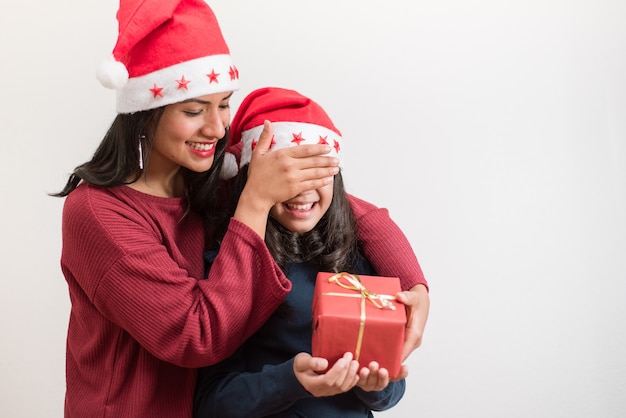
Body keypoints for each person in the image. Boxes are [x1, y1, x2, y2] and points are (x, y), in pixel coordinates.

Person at [53, 1, 428, 417]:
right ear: (145, 113)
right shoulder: (98, 214)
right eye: (194, 110)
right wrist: (254, 200)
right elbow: (196, 336)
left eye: (224, 104)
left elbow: (341, 205)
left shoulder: (205, 180)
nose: (216, 129)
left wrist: (414, 287)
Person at [194, 87, 415, 417]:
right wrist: (290, 381)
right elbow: (212, 403)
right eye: (288, 177)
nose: (303, 190)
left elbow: (391, 391)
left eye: (318, 173)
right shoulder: (232, 267)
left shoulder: (359, 257)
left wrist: (377, 385)